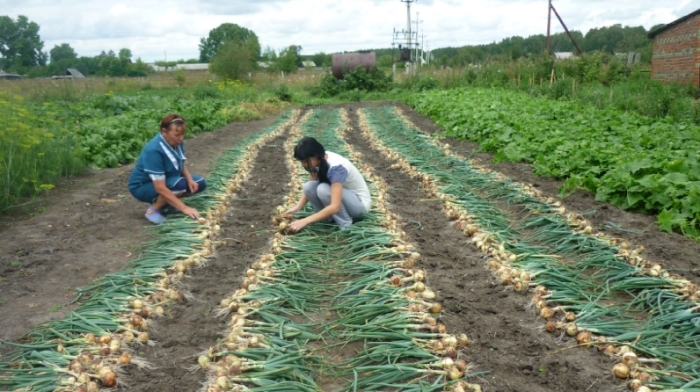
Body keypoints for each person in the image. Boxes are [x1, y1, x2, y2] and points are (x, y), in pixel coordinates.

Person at [128, 114, 207, 224]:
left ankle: (167, 206)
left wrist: (189, 179)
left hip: (167, 178)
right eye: (177, 135)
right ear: (164, 132)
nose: (181, 138)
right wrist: (184, 208)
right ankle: (153, 210)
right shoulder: (154, 150)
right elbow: (160, 188)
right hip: (143, 185)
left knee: (199, 183)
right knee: (180, 185)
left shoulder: (175, 142)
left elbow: (180, 161)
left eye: (182, 134)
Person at [287, 137, 371, 232]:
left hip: (359, 205)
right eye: (301, 161)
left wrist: (305, 221)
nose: (303, 165)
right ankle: (331, 220)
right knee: (308, 186)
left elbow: (335, 206)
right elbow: (311, 184)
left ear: (315, 155)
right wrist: (298, 208)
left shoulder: (336, 168)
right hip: (345, 199)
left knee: (323, 189)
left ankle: (346, 225)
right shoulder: (319, 160)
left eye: (305, 161)